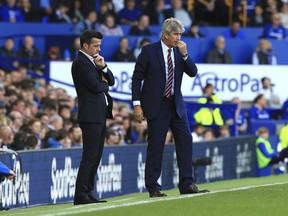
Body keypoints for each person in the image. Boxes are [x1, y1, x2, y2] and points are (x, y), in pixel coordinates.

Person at [132, 17, 209, 197]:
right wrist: (137, 104)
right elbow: (137, 78)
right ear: (166, 34)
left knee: (185, 141)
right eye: (175, 34)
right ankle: (153, 186)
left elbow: (193, 72)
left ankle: (187, 183)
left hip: (176, 104)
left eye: (180, 34)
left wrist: (185, 55)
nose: (179, 37)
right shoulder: (149, 51)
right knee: (156, 145)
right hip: (156, 105)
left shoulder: (179, 51)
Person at [71, 29, 115, 205]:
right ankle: (81, 195)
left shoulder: (95, 62)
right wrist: (103, 82)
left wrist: (103, 68)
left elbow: (111, 81)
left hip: (99, 114)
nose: (99, 49)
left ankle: (88, 192)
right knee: (90, 155)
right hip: (90, 115)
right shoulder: (80, 63)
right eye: (96, 46)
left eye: (100, 45)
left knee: (96, 155)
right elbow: (97, 87)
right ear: (85, 46)